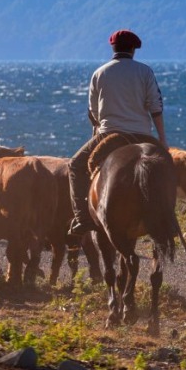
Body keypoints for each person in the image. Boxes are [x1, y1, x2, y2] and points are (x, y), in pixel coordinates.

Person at [68, 29, 167, 236]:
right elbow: (155, 106)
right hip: (142, 134)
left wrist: (96, 135)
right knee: (167, 168)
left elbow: (93, 113)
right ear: (133, 49)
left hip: (109, 134)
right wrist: (162, 139)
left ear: (113, 48)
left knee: (75, 166)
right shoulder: (145, 72)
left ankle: (82, 219)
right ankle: (168, 218)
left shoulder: (100, 73)